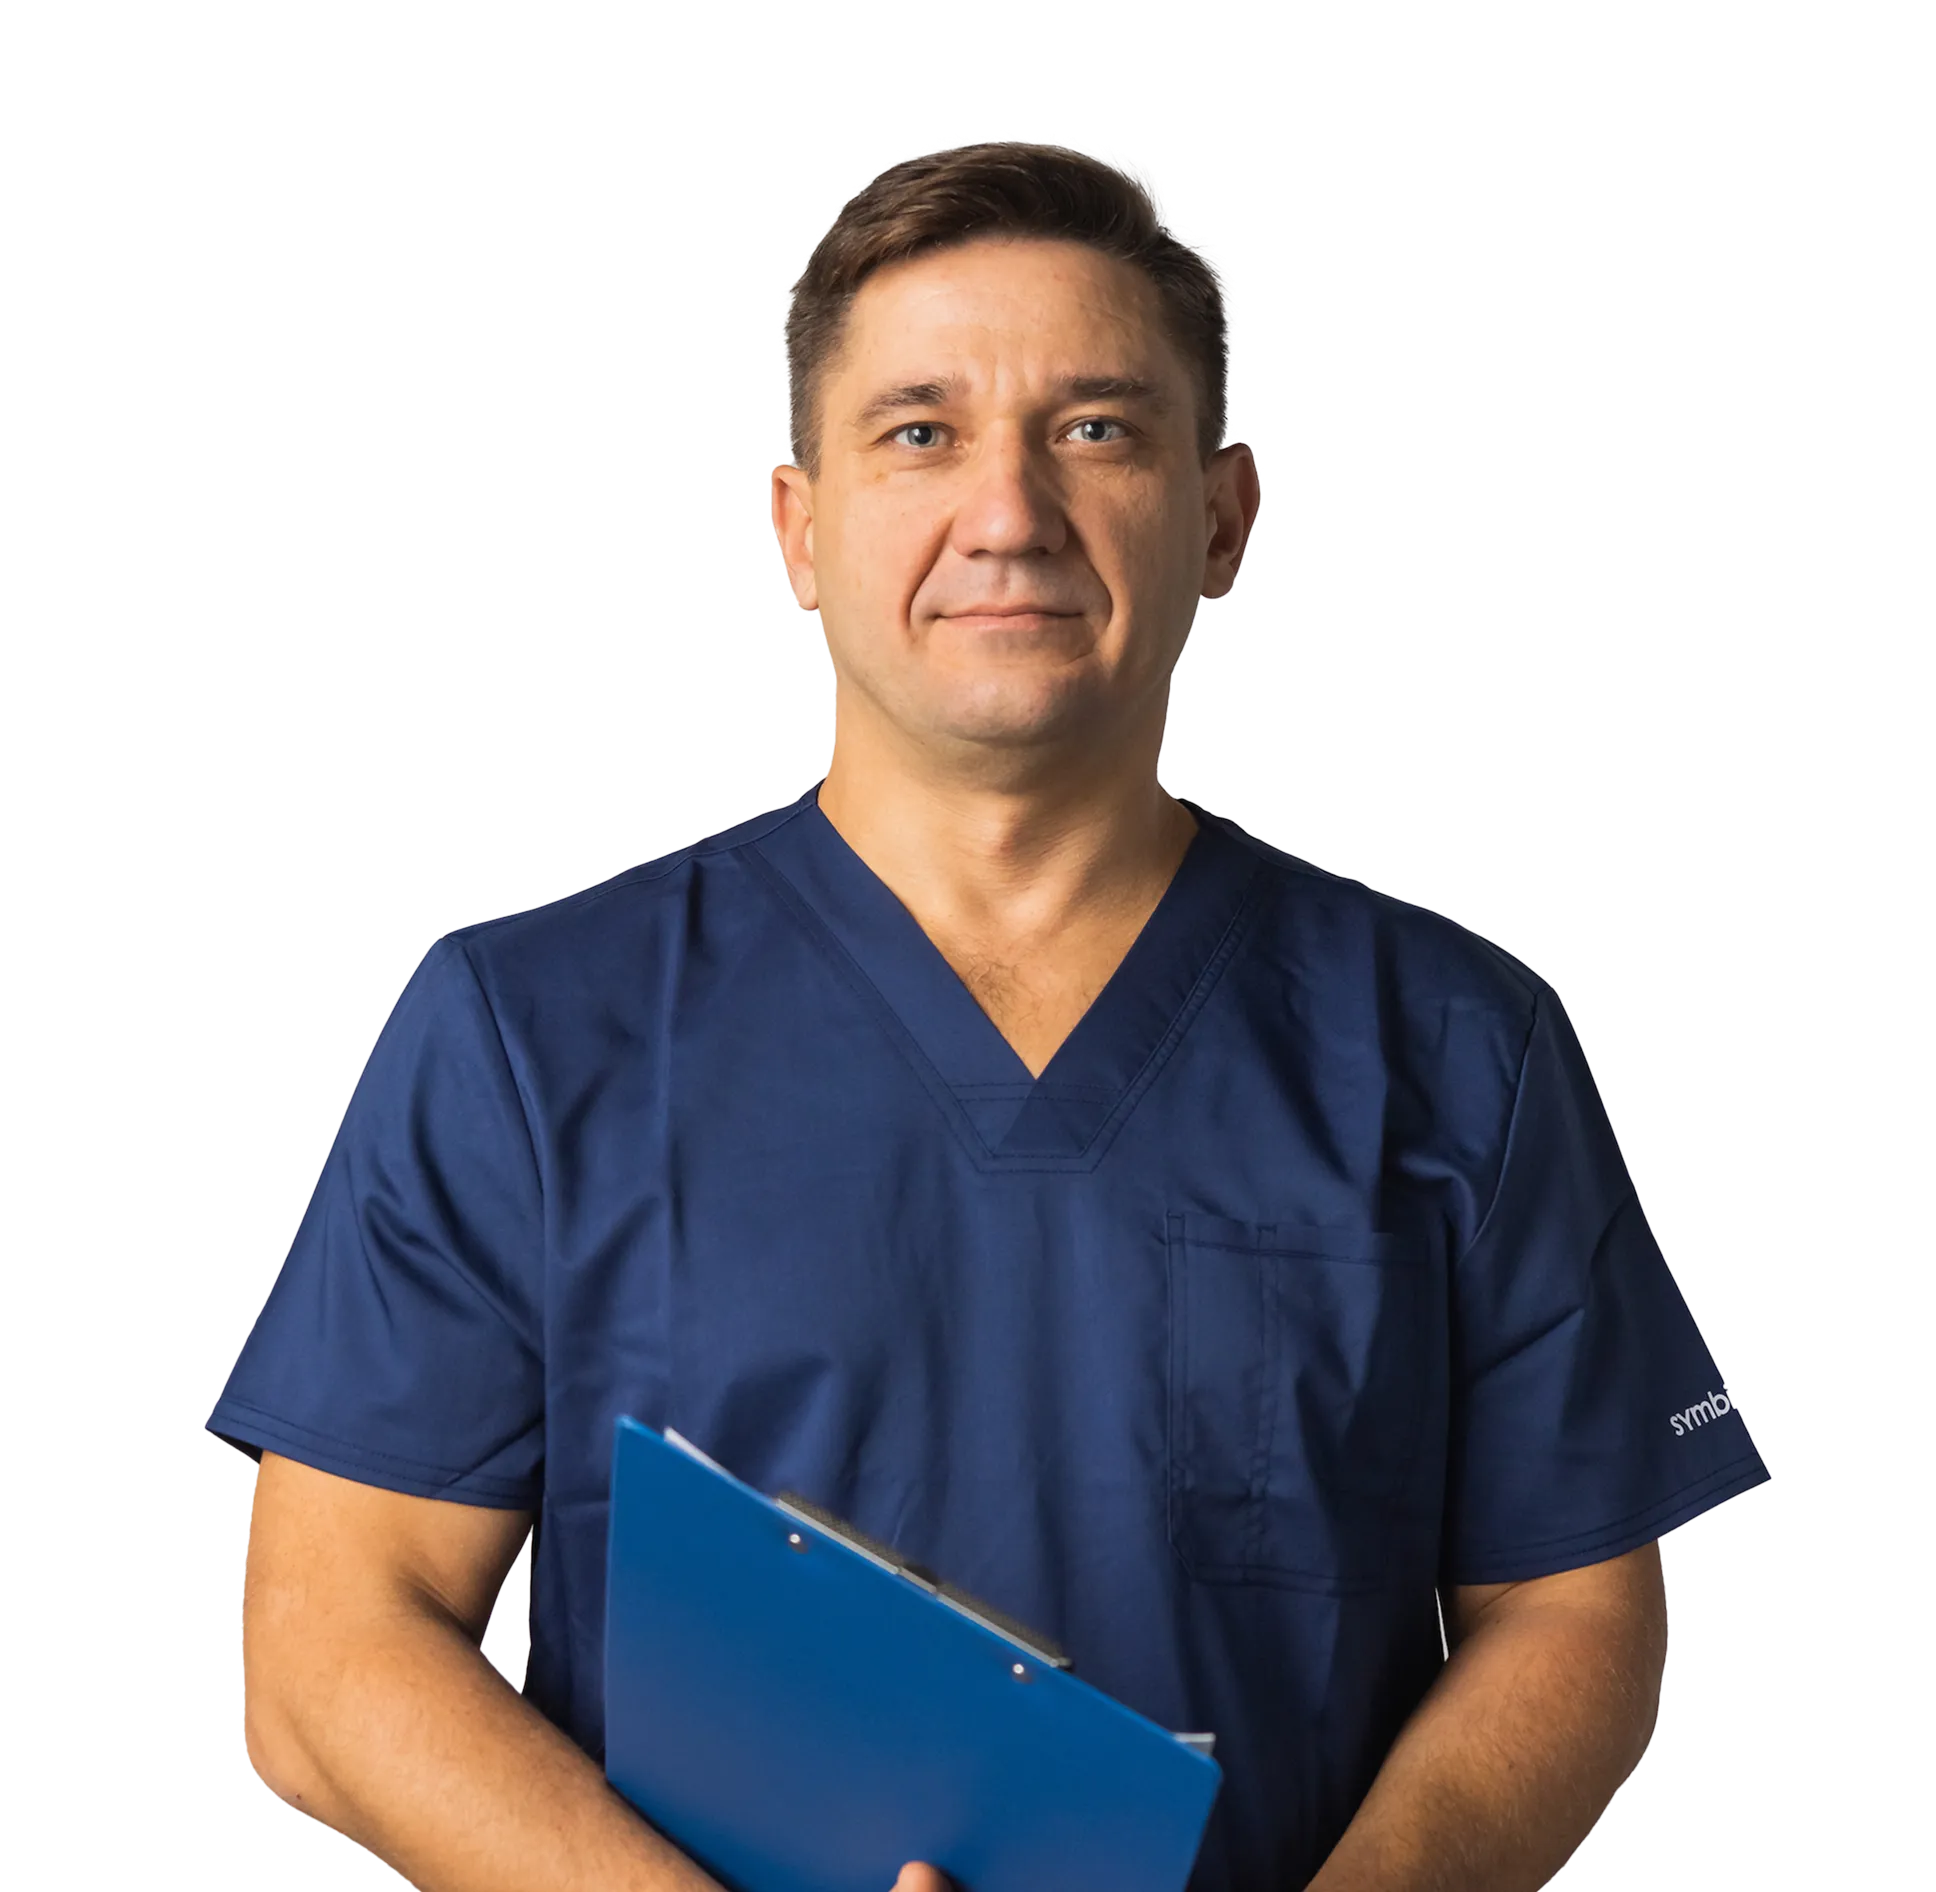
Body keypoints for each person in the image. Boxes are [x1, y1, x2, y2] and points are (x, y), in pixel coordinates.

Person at [207, 134, 1771, 1891]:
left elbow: (1571, 1607)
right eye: (920, 433)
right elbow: (332, 1651)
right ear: (797, 525)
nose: (1009, 514)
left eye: (1096, 429)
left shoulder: (1456, 1044)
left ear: (1224, 512)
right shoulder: (526, 1030)